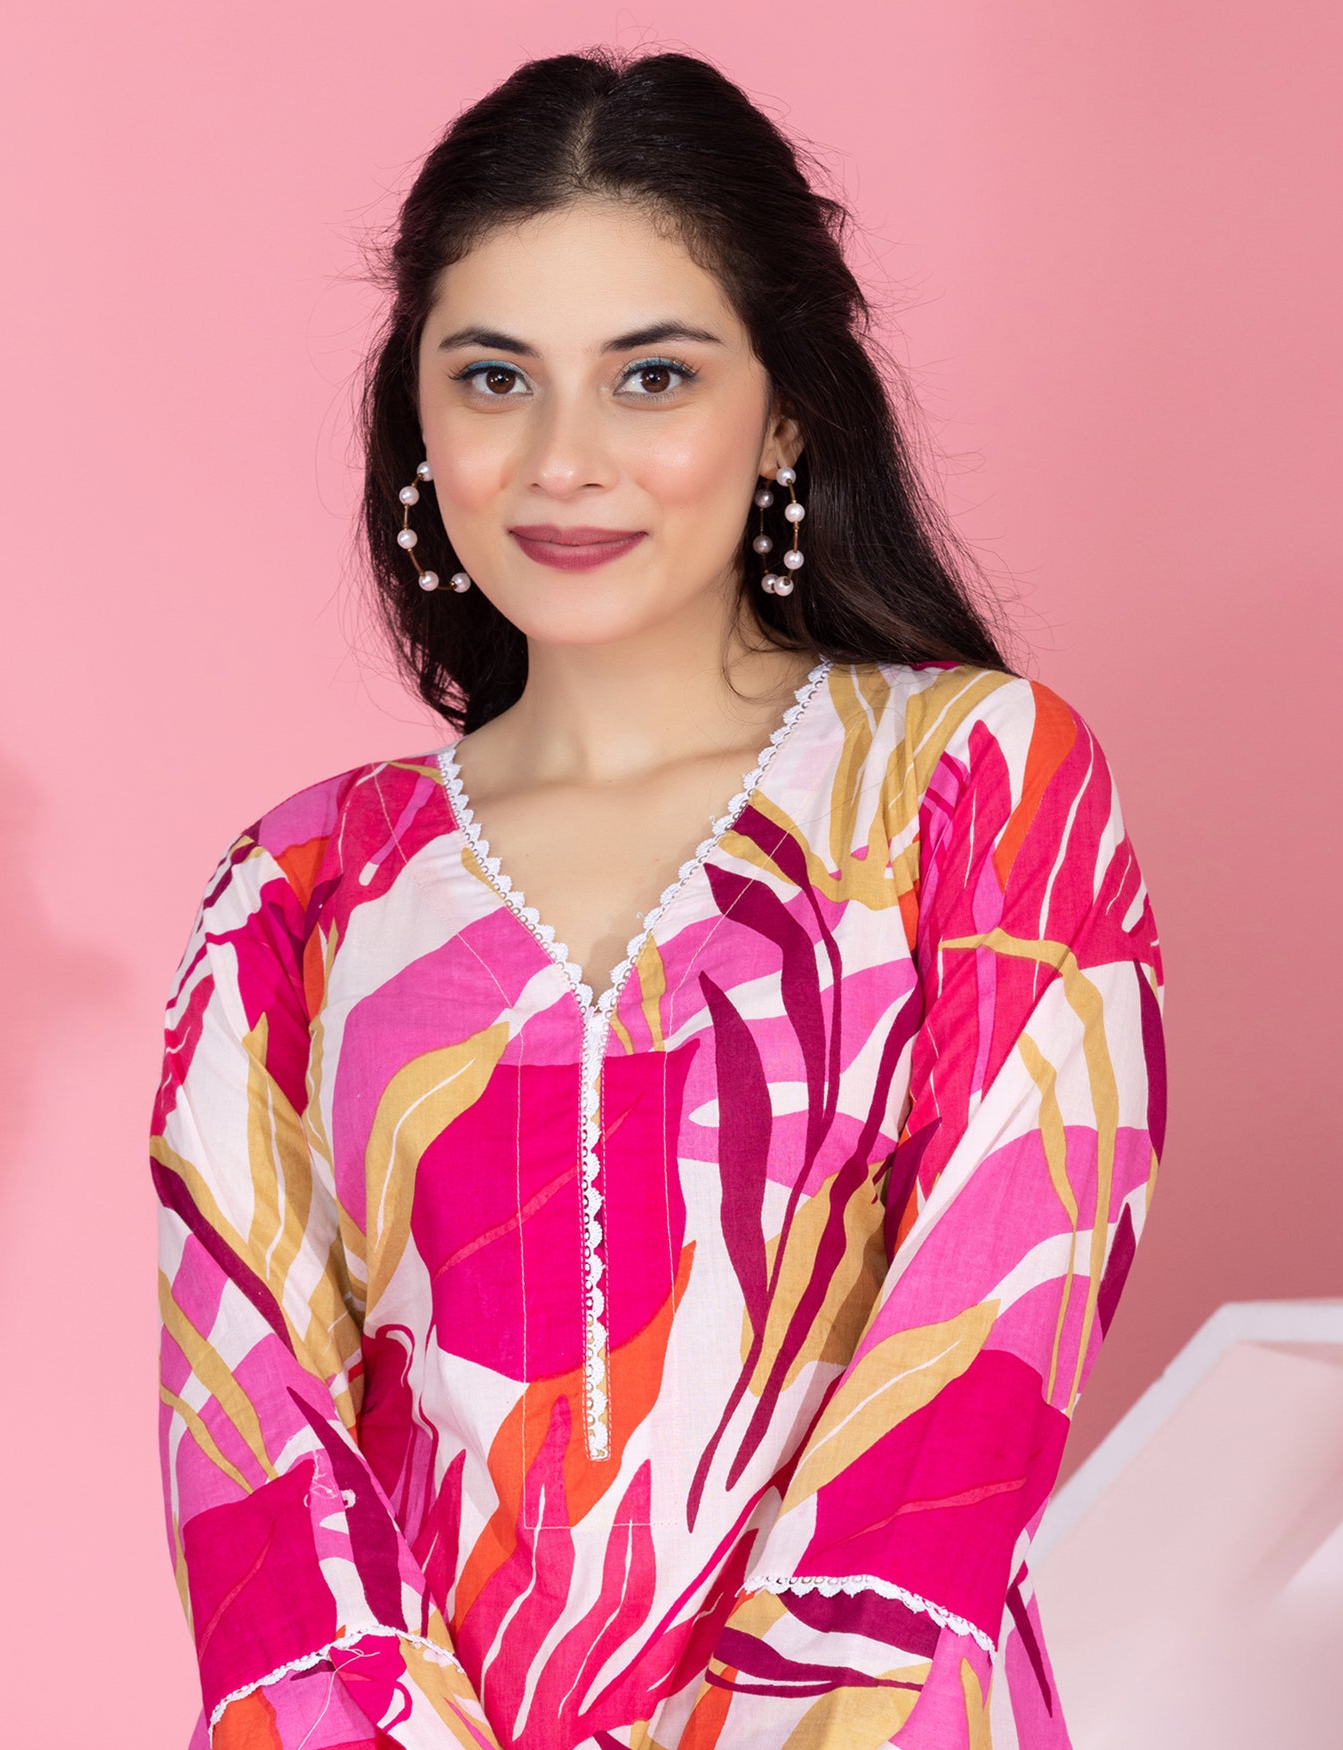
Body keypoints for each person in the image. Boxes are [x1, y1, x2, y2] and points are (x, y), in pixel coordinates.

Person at [149, 45, 1167, 1750]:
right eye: (495, 378)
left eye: (651, 377)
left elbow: (979, 1361)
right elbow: (253, 1462)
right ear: (418, 417)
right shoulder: (296, 890)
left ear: (787, 409)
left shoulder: (978, 789)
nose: (564, 460)